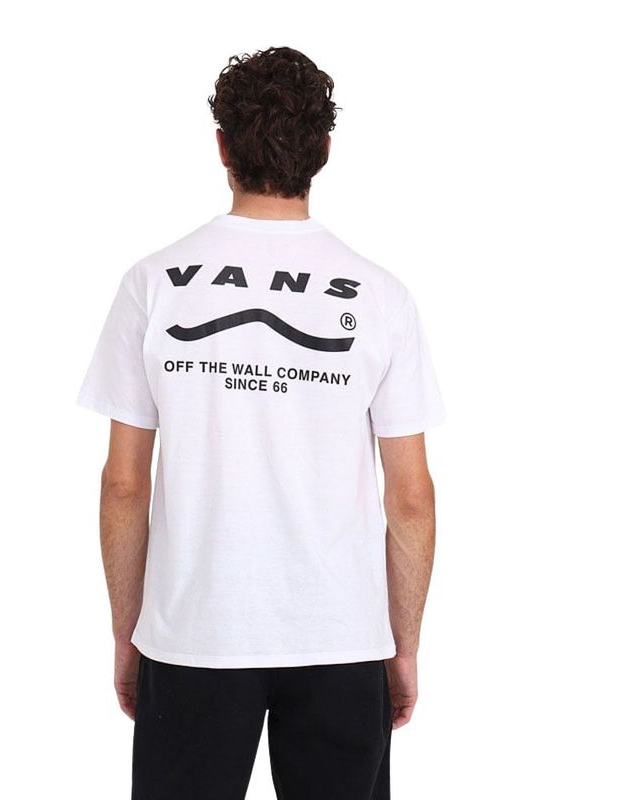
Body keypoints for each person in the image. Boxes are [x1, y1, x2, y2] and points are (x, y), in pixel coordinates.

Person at [76, 45, 445, 800]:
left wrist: (129, 630)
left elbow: (123, 485)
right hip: (341, 635)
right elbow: (410, 497)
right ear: (325, 150)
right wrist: (401, 644)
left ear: (222, 147)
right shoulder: (381, 295)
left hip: (193, 633)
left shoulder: (154, 284)